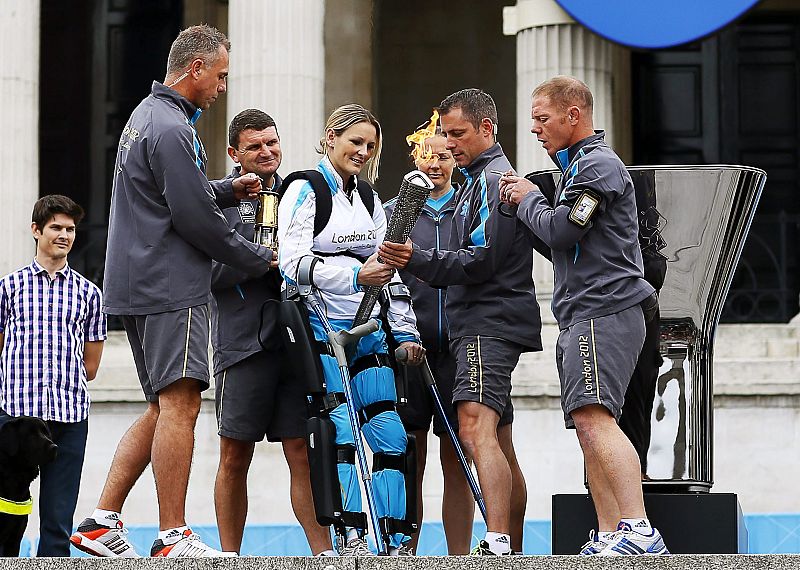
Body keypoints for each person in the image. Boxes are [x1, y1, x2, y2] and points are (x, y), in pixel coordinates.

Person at [70, 25, 273, 559]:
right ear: (196, 69)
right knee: (181, 404)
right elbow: (193, 219)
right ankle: (173, 535)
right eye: (221, 75)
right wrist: (256, 258)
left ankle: (101, 520)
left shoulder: (145, 117)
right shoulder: (174, 128)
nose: (223, 87)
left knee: (163, 407)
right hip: (172, 284)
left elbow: (168, 196)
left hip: (136, 281)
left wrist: (229, 188)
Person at [498, 75, 669, 556]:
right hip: (584, 311)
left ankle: (639, 529)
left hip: (604, 308)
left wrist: (526, 198)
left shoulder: (596, 166)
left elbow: (561, 232)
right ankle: (612, 532)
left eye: (541, 117)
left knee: (595, 418)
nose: (534, 128)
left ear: (574, 115)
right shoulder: (577, 169)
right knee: (588, 419)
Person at [379, 89, 540, 556]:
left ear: (487, 130)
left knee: (474, 436)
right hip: (429, 344)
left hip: (481, 329)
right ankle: (496, 544)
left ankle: (497, 542)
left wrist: (418, 259)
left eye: (455, 136)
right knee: (465, 442)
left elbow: (481, 259)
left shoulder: (490, 181)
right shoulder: (417, 202)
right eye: (439, 138)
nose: (445, 148)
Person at [278, 104, 424, 556]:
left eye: (371, 146)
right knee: (339, 430)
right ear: (330, 138)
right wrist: (354, 277)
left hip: (370, 330)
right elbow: (291, 264)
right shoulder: (305, 188)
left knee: (390, 431)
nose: (363, 152)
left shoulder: (370, 197)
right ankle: (351, 533)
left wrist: (405, 332)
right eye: (355, 142)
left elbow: (391, 268)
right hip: (321, 326)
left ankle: (394, 537)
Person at [210, 108, 334, 556]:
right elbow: (208, 273)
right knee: (234, 454)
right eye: (254, 146)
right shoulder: (216, 202)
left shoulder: (300, 193)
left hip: (297, 340)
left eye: (272, 142)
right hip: (242, 343)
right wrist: (261, 256)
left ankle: (324, 554)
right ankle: (229, 557)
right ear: (233, 153)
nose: (266, 152)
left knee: (302, 450)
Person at [0, 195, 106, 557]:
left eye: (71, 229)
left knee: (58, 526)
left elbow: (91, 366)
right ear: (36, 230)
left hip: (69, 417)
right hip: (15, 420)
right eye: (56, 227)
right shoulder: (8, 288)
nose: (65, 235)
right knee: (3, 516)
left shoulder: (89, 294)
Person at [384, 130, 474, 554]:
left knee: (458, 455)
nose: (434, 164)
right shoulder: (392, 212)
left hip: (461, 348)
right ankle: (408, 552)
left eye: (443, 156)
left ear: (455, 160)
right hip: (408, 352)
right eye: (426, 156)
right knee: (409, 460)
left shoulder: (471, 206)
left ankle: (459, 556)